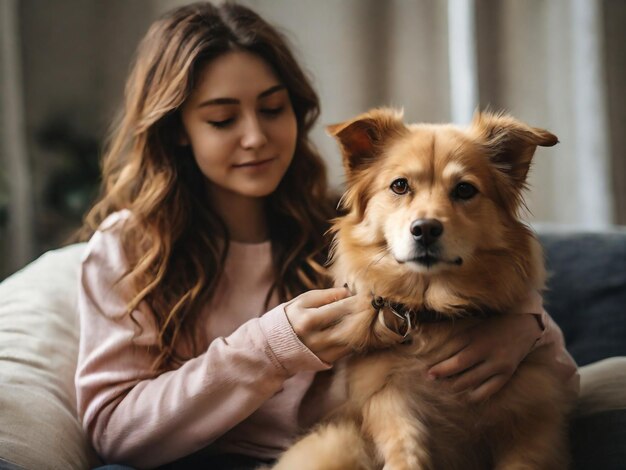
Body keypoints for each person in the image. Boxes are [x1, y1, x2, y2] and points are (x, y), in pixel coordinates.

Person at [75, 2, 578, 469]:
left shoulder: (353, 226)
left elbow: (557, 378)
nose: (255, 136)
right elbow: (113, 431)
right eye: (223, 119)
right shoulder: (128, 250)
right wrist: (272, 347)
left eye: (273, 109)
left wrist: (524, 329)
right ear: (177, 129)